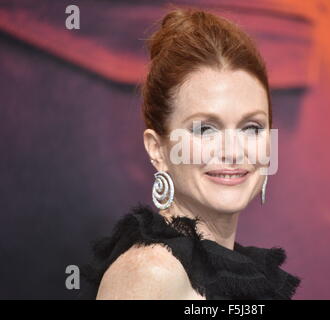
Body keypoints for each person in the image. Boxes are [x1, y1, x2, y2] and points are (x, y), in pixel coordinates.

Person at [80, 6, 300, 300]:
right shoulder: (151, 274)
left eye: (251, 127)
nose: (233, 151)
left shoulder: (236, 272)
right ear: (157, 149)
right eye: (205, 129)